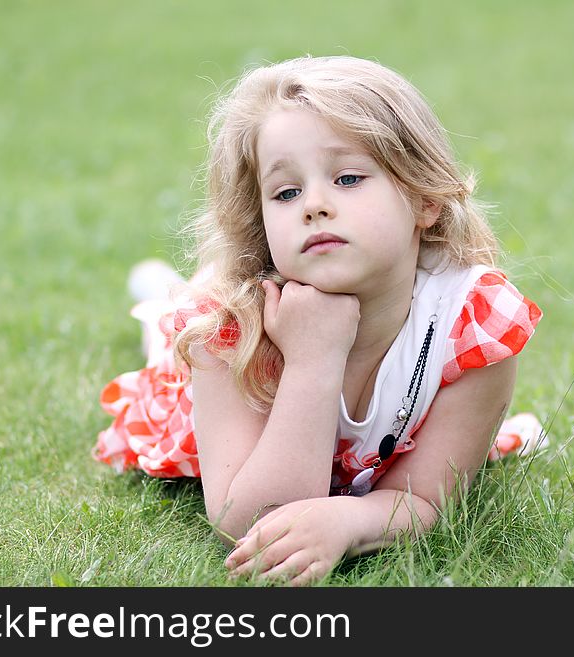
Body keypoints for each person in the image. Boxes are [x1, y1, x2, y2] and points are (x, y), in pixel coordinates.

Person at [93, 55, 545, 586]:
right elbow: (249, 522)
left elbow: (422, 499)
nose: (313, 206)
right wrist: (311, 361)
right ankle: (160, 300)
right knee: (170, 339)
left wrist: (350, 520)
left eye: (348, 177)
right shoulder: (228, 329)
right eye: (285, 193)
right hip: (202, 371)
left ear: (424, 197)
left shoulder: (470, 324)